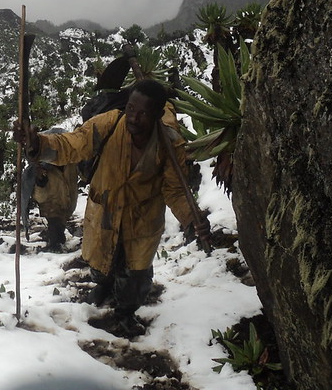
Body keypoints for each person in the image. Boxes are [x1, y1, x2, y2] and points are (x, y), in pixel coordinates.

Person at [15, 78, 209, 333]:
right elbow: (73, 144)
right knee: (101, 263)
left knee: (136, 274)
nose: (133, 118)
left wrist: (192, 218)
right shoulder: (110, 123)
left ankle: (125, 313)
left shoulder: (170, 143)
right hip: (105, 211)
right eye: (131, 109)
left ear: (157, 114)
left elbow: (175, 189)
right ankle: (104, 287)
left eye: (142, 113)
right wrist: (37, 144)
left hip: (142, 219)